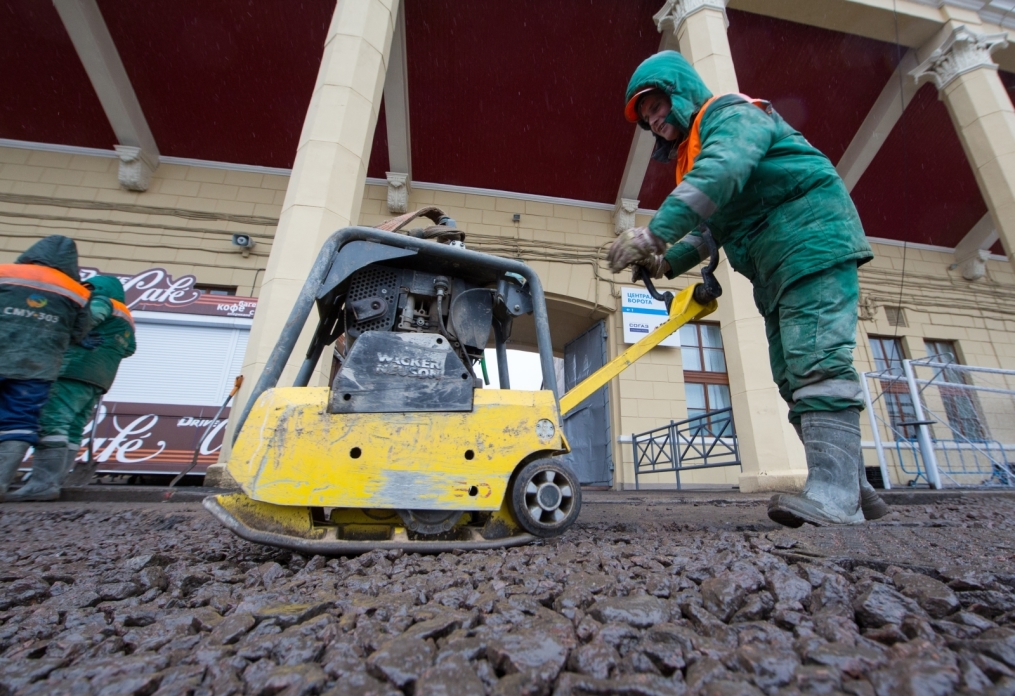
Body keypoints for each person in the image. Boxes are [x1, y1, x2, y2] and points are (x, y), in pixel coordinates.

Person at [608, 51, 889, 527]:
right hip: (779, 264)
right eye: (647, 117)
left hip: (810, 242)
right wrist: (665, 261)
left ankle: (836, 495)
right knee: (791, 377)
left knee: (816, 361)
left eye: (657, 106)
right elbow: (712, 228)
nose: (654, 121)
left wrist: (654, 234)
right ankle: (854, 488)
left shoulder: (729, 114)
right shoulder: (696, 151)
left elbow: (723, 171)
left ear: (681, 94)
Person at [9, 275, 135, 501]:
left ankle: (42, 485)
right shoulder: (125, 316)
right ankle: (54, 481)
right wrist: (106, 349)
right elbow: (129, 349)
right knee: (74, 428)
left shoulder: (101, 301)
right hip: (99, 379)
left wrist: (76, 337)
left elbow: (86, 321)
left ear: (97, 288)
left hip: (73, 370)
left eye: (87, 288)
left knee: (53, 423)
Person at [0, 236, 102, 500]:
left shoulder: (5, 272)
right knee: (19, 421)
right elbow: (79, 332)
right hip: (39, 367)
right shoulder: (78, 292)